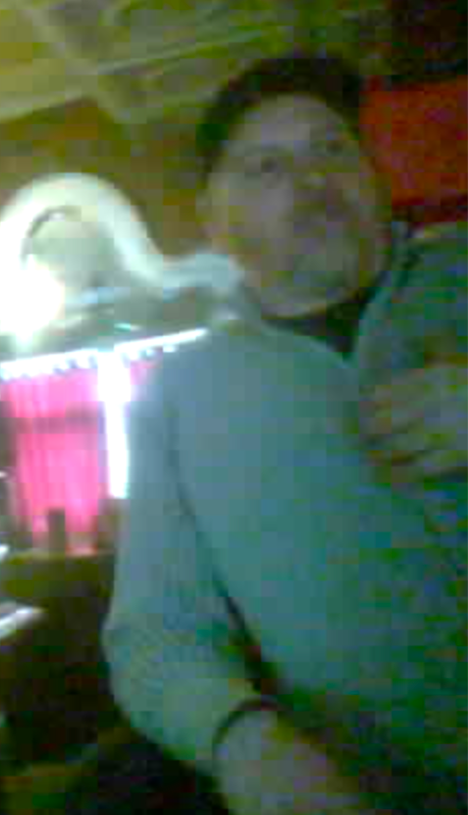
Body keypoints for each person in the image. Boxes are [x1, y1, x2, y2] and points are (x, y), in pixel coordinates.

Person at [102, 53, 468, 815]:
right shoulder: (174, 397)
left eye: (331, 149)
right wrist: (241, 740)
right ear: (214, 220)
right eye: (266, 167)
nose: (310, 182)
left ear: (373, 176)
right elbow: (153, 632)